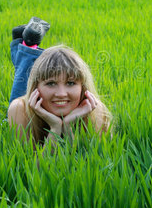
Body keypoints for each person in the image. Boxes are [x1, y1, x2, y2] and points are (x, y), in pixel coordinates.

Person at [7, 17, 112, 146]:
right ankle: (27, 45)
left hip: (45, 96)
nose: (61, 93)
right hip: (32, 102)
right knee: (20, 86)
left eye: (71, 83)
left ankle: (27, 45)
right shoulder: (19, 109)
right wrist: (56, 128)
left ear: (82, 87)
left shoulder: (95, 111)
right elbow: (33, 166)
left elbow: (85, 162)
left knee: (28, 75)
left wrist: (68, 127)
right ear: (35, 87)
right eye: (51, 83)